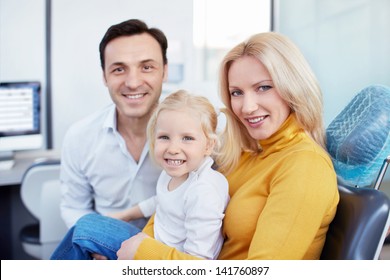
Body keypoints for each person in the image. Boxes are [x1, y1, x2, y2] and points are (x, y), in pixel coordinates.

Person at [116, 32, 340, 260]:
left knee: (86, 230)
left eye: (263, 88)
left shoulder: (305, 167)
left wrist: (143, 253)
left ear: (293, 86)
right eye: (237, 93)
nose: (247, 107)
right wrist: (140, 244)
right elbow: (171, 207)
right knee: (87, 230)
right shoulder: (245, 152)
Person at [51, 90, 229, 260]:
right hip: (149, 242)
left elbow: (198, 262)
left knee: (84, 229)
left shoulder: (204, 192)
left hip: (156, 258)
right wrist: (124, 215)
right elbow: (161, 201)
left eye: (187, 138)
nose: (173, 149)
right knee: (86, 227)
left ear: (209, 145)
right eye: (164, 137)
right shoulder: (174, 173)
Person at [59, 19, 168, 230]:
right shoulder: (79, 137)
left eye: (147, 67)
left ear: (164, 71)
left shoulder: (197, 134)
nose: (133, 82)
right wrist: (97, 239)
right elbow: (74, 207)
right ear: (104, 76)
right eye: (119, 69)